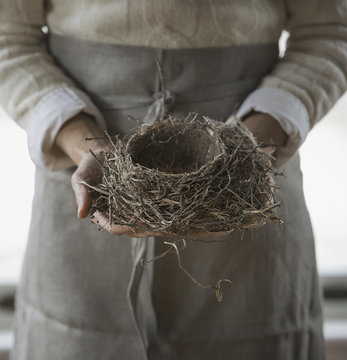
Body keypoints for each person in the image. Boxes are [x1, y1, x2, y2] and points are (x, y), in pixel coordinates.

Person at [0, 1, 346, 359]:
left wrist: (248, 148)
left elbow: (331, 32)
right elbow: (8, 35)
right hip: (86, 181)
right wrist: (82, 141)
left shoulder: (246, 162)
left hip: (248, 178)